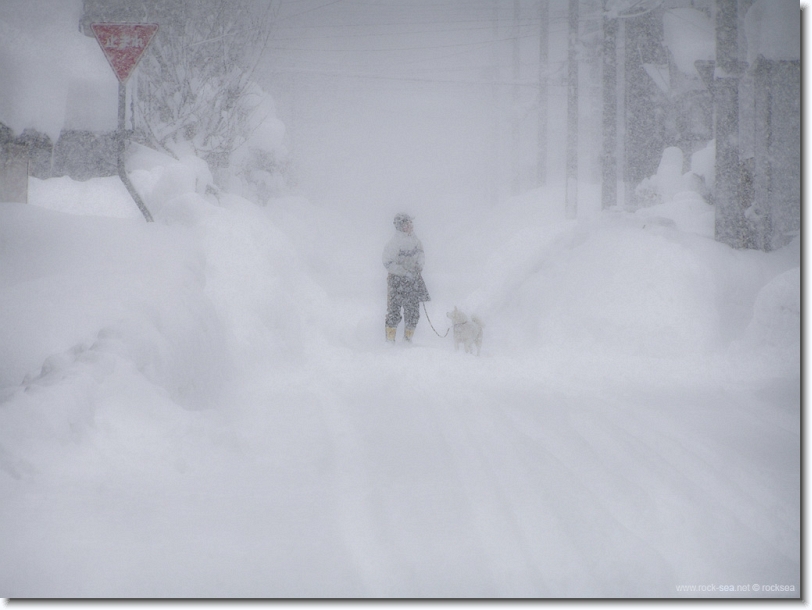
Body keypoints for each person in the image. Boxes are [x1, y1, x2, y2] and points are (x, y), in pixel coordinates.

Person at [382, 213, 430, 342]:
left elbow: (421, 254)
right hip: (396, 281)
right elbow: (387, 263)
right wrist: (404, 272)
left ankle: (407, 340)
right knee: (394, 311)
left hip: (413, 280)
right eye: (407, 223)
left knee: (413, 312)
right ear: (400, 226)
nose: (410, 225)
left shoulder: (416, 241)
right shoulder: (393, 243)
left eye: (411, 223)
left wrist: (419, 266)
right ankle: (390, 341)